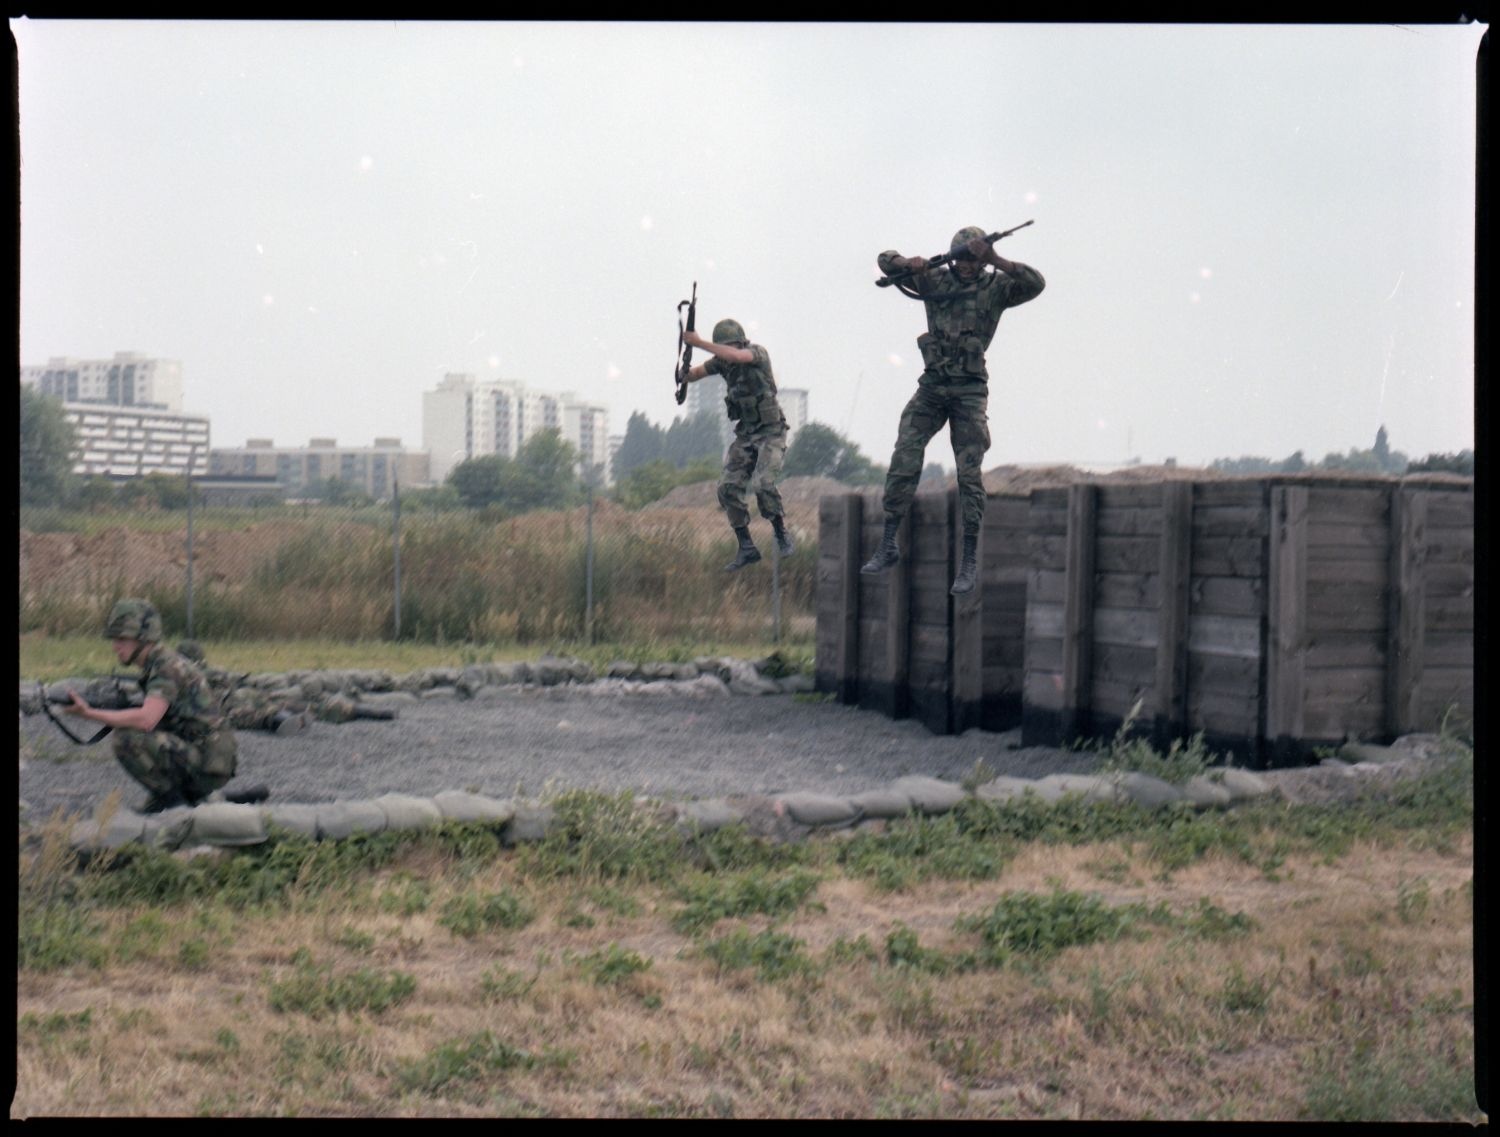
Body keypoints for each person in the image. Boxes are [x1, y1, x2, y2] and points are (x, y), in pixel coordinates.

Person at [860, 226, 1045, 594]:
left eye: (972, 258)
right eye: (961, 257)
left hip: (969, 392)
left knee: (969, 473)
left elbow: (1036, 283)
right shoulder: (934, 280)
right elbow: (884, 259)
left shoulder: (997, 287)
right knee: (904, 456)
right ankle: (889, 541)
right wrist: (906, 262)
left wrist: (995, 258)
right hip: (932, 388)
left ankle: (969, 559)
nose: (965, 265)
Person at [64, 599, 240, 813]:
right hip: (206, 755)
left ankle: (174, 804)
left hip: (209, 761)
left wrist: (89, 713)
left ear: (143, 637)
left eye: (122, 639)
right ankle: (181, 799)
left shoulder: (165, 666)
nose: (115, 646)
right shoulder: (159, 663)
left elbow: (147, 719)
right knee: (135, 730)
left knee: (127, 738)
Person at [677, 318, 796, 571]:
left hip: (771, 432)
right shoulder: (721, 362)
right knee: (728, 487)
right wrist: (683, 373)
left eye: (730, 345)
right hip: (746, 434)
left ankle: (780, 532)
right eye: (724, 346)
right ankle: (746, 546)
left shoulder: (756, 353)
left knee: (763, 484)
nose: (726, 350)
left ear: (741, 342)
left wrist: (699, 342)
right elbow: (696, 374)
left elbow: (737, 356)